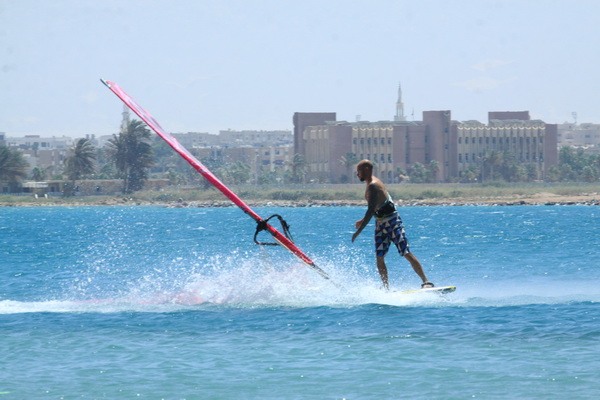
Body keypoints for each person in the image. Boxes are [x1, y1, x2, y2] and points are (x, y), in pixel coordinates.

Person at [351, 160, 434, 290]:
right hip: (380, 223)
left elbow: (371, 209)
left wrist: (358, 231)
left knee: (405, 252)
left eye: (359, 171)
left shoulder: (373, 185)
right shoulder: (370, 184)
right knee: (380, 257)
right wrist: (363, 220)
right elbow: (378, 205)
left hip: (392, 222)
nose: (357, 174)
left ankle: (426, 281)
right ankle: (386, 288)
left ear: (367, 169)